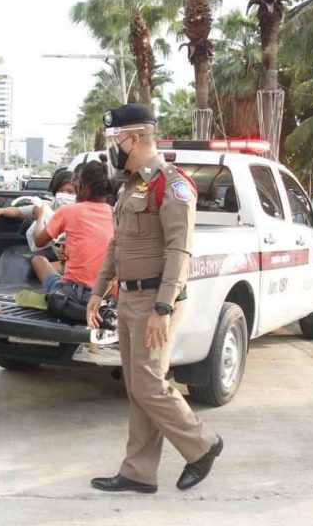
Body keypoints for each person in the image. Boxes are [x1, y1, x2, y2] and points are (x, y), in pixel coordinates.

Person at [86, 103, 223, 494]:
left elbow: (180, 250)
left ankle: (203, 445)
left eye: (114, 139)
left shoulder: (173, 183)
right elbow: (117, 244)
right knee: (137, 387)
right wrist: (98, 291)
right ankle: (139, 471)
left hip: (155, 300)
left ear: (132, 138)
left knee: (149, 384)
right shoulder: (131, 185)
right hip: (129, 299)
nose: (111, 147)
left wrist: (163, 308)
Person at [30, 161, 114, 296]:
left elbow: (39, 241)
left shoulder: (69, 211)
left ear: (83, 187)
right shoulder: (116, 214)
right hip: (108, 295)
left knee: (38, 260)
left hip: (75, 295)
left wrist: (39, 216)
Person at [0, 169, 77, 256]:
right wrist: (1, 211)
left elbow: (39, 242)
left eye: (70, 192)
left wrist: (40, 217)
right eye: (61, 191)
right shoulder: (47, 206)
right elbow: (18, 211)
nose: (64, 195)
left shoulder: (81, 213)